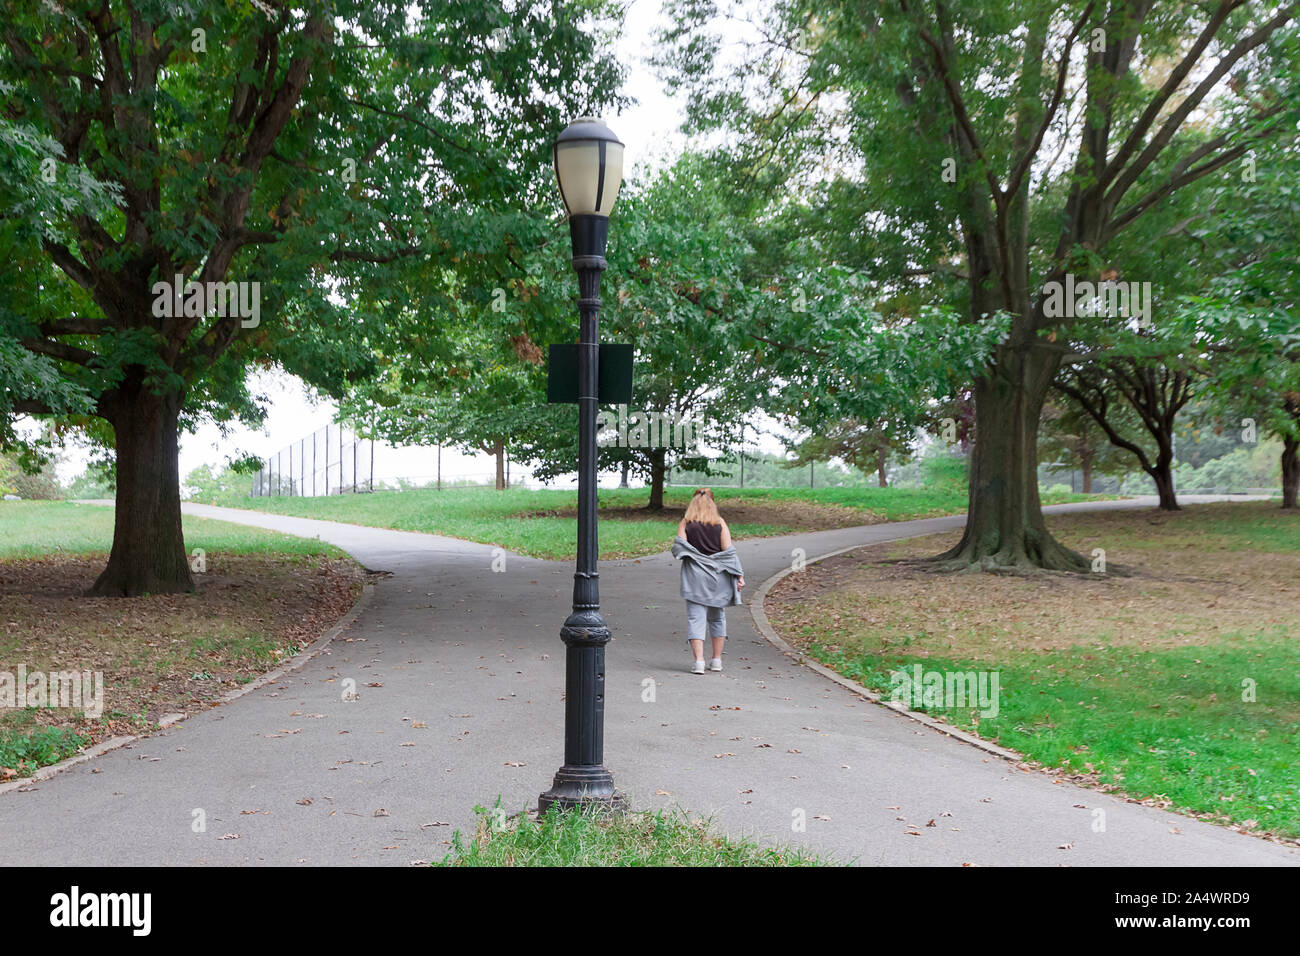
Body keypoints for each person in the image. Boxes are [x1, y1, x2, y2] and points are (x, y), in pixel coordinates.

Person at [670, 488, 745, 674]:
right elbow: (729, 552)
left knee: (696, 619)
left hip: (694, 578)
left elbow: (678, 548)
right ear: (713, 504)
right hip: (718, 578)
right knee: (717, 618)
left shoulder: (686, 523)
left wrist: (694, 555)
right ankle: (717, 660)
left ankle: (699, 662)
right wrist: (739, 575)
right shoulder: (720, 523)